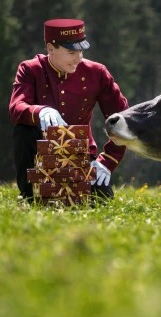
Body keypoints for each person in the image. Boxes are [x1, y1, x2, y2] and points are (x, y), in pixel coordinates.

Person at [9, 18, 128, 203]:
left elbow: (122, 118)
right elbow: (16, 107)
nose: (78, 58)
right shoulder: (30, 69)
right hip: (39, 154)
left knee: (102, 201)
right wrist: (39, 111)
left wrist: (108, 161)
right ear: (50, 48)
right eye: (71, 52)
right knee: (23, 129)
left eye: (81, 51)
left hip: (80, 155)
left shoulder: (97, 72)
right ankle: (29, 195)